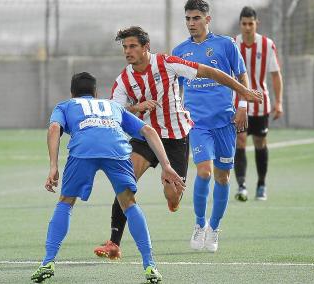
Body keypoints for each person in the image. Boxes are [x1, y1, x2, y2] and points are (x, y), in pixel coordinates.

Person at [94, 25, 262, 258]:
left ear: (146, 47)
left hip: (176, 138)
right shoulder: (124, 79)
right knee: (125, 182)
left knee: (172, 195)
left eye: (132, 46)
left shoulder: (168, 63)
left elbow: (210, 72)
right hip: (145, 136)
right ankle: (114, 242)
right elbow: (115, 112)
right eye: (125, 47)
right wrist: (136, 107)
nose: (128, 51)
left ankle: (175, 201)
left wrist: (243, 92)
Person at [31, 72, 186, 283]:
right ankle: (150, 265)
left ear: (72, 93)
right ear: (96, 93)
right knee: (129, 204)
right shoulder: (112, 106)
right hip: (117, 149)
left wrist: (52, 166)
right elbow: (148, 130)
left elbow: (54, 127)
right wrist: (166, 165)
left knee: (66, 202)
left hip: (83, 150)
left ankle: (47, 262)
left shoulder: (65, 105)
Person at [172, 0, 257, 252]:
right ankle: (199, 225)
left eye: (196, 18)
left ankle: (214, 227)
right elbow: (174, 87)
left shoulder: (226, 45)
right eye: (188, 19)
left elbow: (242, 76)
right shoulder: (179, 51)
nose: (191, 23)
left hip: (225, 122)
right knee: (204, 172)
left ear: (207, 20)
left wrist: (243, 106)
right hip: (197, 124)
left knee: (222, 176)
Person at [233, 6, 283, 202]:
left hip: (261, 104)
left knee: (260, 142)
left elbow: (276, 75)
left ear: (256, 24)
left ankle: (261, 184)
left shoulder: (267, 44)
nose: (247, 27)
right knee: (241, 141)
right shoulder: (233, 44)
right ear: (240, 24)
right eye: (244, 24)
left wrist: (279, 102)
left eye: (250, 24)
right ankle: (242, 185)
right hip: (239, 104)